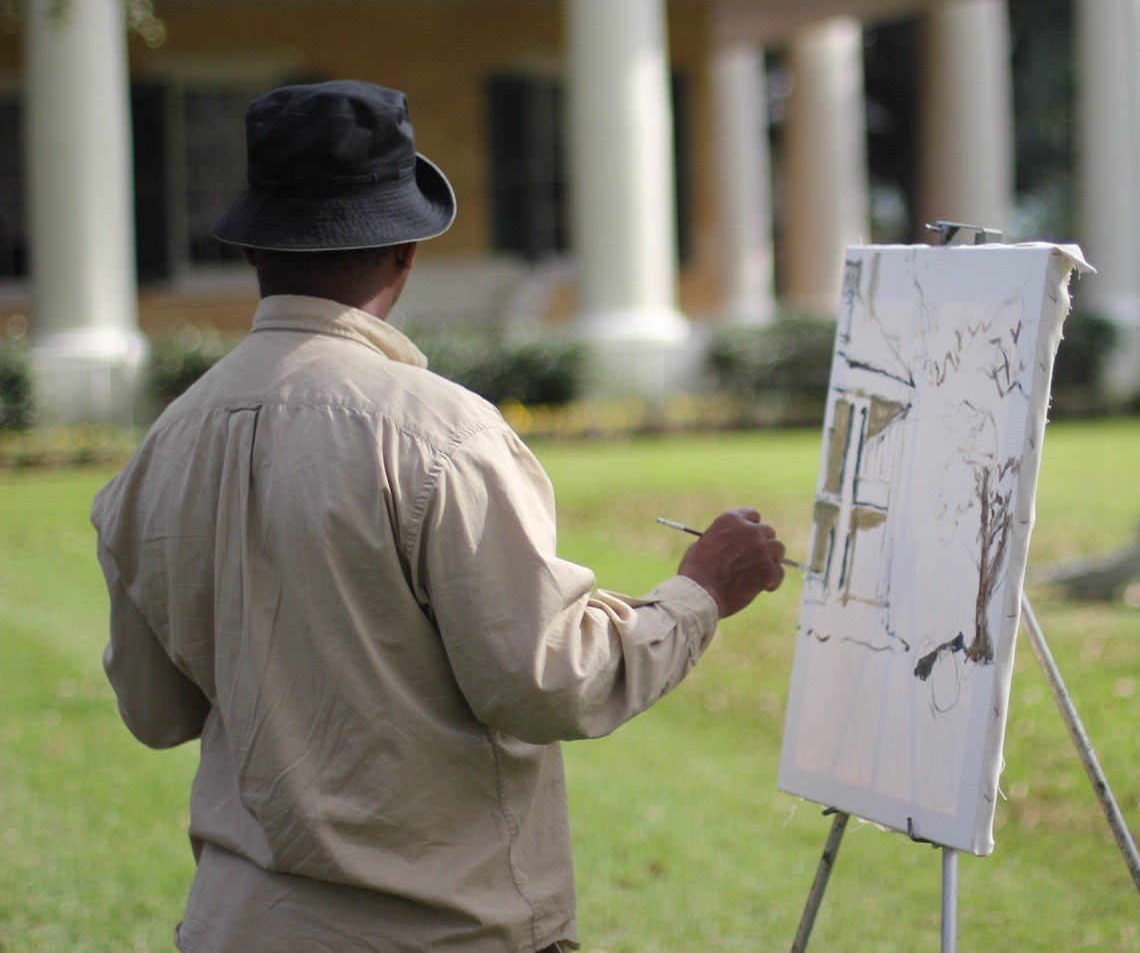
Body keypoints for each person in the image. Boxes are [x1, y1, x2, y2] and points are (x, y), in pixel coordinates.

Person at [91, 79, 787, 953]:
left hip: (237, 928)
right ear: (405, 249)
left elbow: (154, 712)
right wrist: (699, 594)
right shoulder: (439, 432)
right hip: (438, 929)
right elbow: (548, 679)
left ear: (251, 247)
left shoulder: (161, 446)